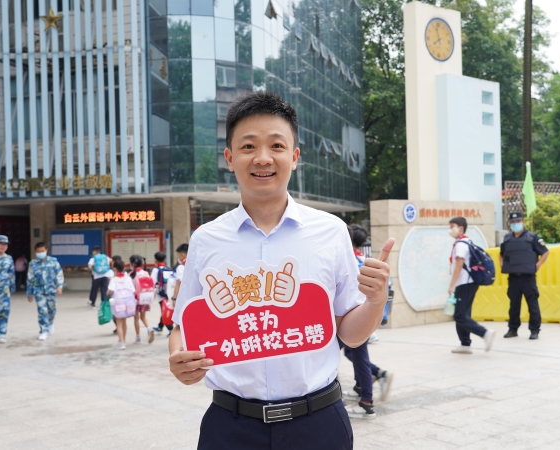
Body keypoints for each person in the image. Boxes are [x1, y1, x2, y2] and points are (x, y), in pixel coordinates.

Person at [168, 91, 393, 449]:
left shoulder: (331, 231)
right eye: (248, 146)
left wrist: (376, 301)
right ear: (230, 158)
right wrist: (179, 358)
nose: (262, 158)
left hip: (318, 424)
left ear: (294, 156)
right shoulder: (206, 239)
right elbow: (184, 326)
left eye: (276, 145)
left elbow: (350, 336)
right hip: (230, 427)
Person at [341, 224, 394, 419]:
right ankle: (362, 387)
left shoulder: (350, 260)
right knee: (352, 352)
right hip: (357, 316)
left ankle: (367, 402)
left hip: (354, 316)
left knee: (358, 355)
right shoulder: (363, 259)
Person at [448, 217, 495, 354]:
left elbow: (459, 265)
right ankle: (465, 344)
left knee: (459, 315)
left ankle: (485, 333)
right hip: (468, 283)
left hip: (464, 283)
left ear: (461, 228)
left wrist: (451, 285)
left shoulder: (460, 245)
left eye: (452, 227)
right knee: (463, 314)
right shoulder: (466, 241)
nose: (450, 230)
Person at [500, 211, 549, 340]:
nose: (515, 224)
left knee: (532, 305)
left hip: (527, 277)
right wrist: (502, 264)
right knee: (514, 305)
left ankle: (534, 330)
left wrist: (538, 265)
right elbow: (502, 253)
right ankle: (513, 329)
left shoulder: (532, 237)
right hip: (513, 277)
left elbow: (545, 252)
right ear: (509, 223)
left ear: (523, 222)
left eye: (518, 221)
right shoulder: (507, 238)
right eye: (513, 222)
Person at [26, 242, 64, 340]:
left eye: (42, 251)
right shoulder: (33, 264)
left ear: (46, 250)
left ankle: (50, 323)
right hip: (38, 291)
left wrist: (59, 286)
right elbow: (30, 278)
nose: (40, 253)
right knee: (42, 311)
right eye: (38, 252)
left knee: (52, 309)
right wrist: (29, 293)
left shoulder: (53, 261)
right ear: (35, 252)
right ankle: (43, 330)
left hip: (51, 290)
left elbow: (59, 274)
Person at [155, 244, 188, 335]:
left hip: (183, 298)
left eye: (178, 255)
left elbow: (178, 283)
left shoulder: (181, 267)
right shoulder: (194, 265)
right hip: (193, 297)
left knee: (181, 322)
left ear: (182, 255)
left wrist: (174, 298)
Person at [107, 259, 136, 350]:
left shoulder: (114, 279)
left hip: (118, 302)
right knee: (124, 322)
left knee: (119, 323)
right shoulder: (128, 278)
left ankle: (121, 343)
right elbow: (133, 290)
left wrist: (107, 293)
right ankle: (124, 340)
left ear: (114, 268)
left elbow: (111, 290)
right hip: (128, 302)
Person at [129, 254, 155, 344]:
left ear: (132, 264)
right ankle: (149, 328)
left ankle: (138, 337)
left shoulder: (131, 274)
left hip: (135, 299)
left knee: (136, 318)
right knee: (143, 317)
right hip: (145, 298)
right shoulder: (146, 273)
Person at [151, 251, 173, 336]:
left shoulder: (156, 270)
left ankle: (170, 329)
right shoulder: (168, 268)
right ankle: (160, 327)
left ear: (155, 260)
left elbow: (153, 282)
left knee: (164, 312)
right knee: (164, 310)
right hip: (169, 293)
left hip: (161, 294)